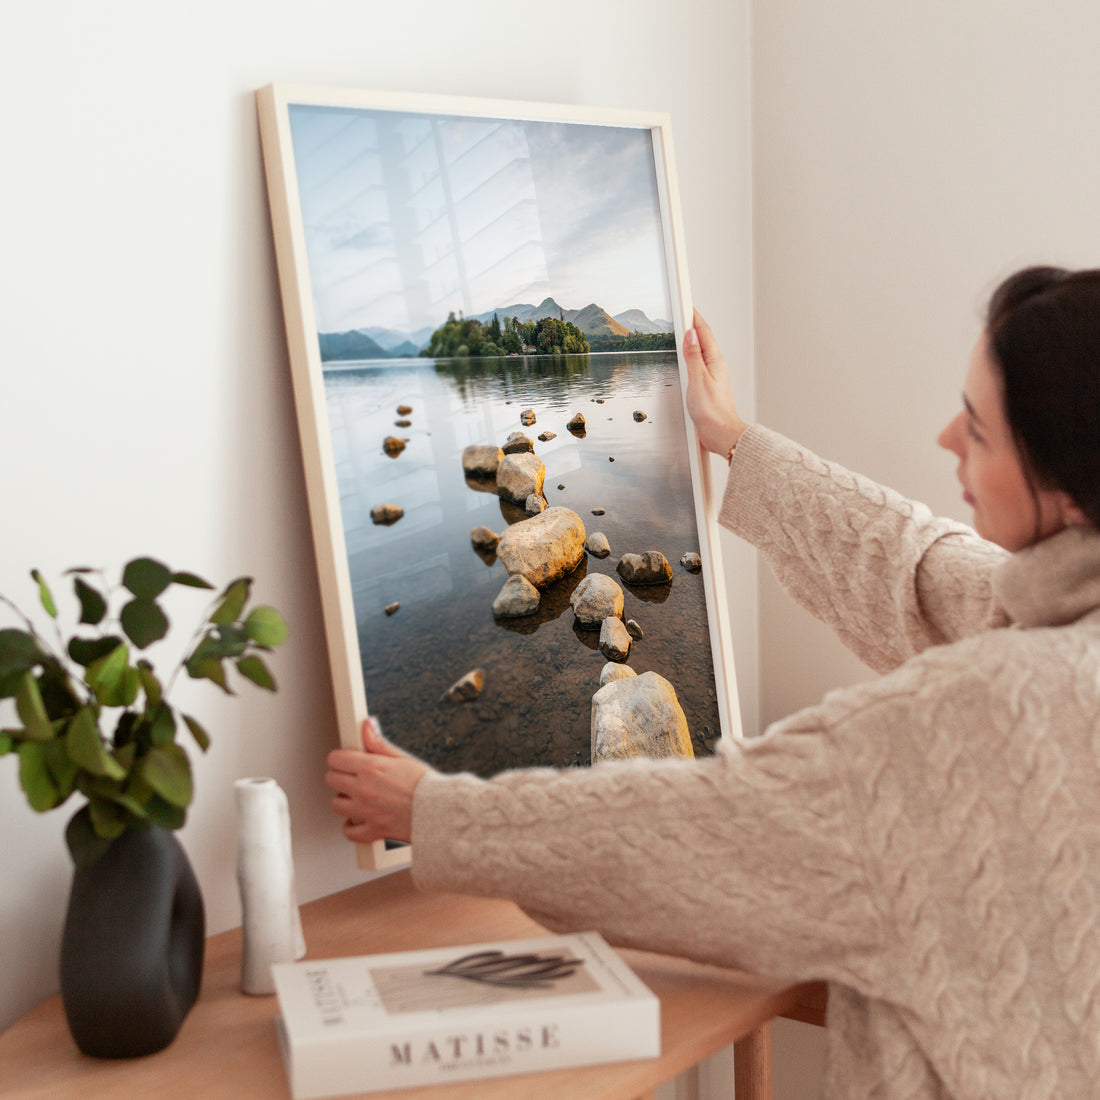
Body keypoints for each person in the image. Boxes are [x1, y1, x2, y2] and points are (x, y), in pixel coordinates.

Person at [325, 266, 1100, 1098]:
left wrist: (434, 813)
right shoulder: (1061, 619)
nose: (947, 438)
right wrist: (734, 439)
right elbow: (914, 565)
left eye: (979, 431)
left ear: (1065, 486)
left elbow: (703, 828)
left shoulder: (978, 719)